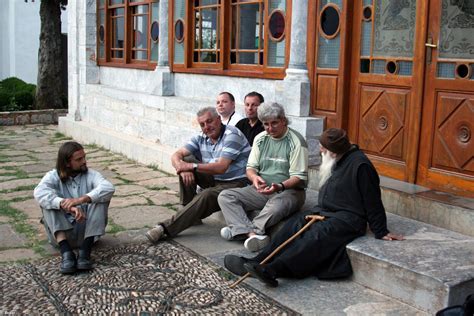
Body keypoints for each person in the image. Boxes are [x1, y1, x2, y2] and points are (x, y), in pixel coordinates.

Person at [223, 128, 403, 287]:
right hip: (325, 212)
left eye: (323, 147)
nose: (320, 149)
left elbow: (372, 199)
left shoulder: (361, 165)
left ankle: (272, 270)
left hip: (348, 218)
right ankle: (257, 261)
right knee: (293, 226)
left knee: (316, 236)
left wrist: (380, 230)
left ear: (333, 151)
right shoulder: (338, 158)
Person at [145, 107, 251, 242]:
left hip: (237, 182)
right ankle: (188, 211)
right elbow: (176, 155)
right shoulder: (201, 136)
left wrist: (191, 167)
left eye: (210, 121)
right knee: (186, 159)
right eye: (202, 124)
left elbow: (221, 167)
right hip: (216, 179)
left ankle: (164, 228)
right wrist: (183, 168)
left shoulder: (232, 134)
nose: (207, 127)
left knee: (205, 194)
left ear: (218, 120)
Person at [218, 102, 308, 252]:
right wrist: (254, 178)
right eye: (266, 124)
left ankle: (244, 231)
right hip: (262, 188)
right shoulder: (260, 138)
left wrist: (280, 186)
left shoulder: (296, 141)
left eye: (274, 123)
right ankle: (250, 234)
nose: (270, 128)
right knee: (225, 196)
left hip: (288, 190)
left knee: (278, 204)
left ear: (283, 121)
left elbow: (298, 177)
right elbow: (250, 168)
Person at [34, 141, 115, 274]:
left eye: (84, 157)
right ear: (66, 163)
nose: (84, 161)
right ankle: (66, 253)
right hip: (63, 234)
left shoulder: (91, 175)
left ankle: (85, 252)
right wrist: (65, 205)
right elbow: (39, 192)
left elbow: (108, 188)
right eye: (79, 159)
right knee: (48, 202)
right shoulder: (53, 176)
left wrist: (80, 200)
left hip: (88, 233)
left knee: (100, 197)